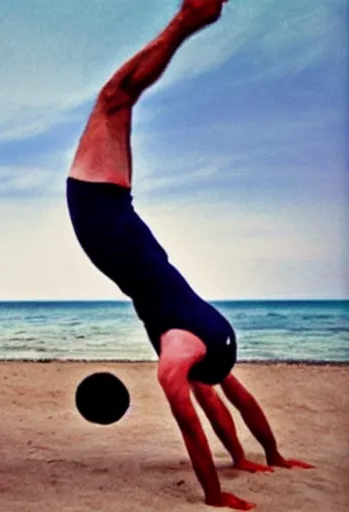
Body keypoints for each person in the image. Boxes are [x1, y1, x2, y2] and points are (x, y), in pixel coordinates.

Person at [66, 0, 314, 509]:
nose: (207, 385)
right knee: (113, 98)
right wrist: (224, 485)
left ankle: (189, 20)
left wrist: (251, 464)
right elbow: (206, 418)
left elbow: (222, 408)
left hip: (117, 216)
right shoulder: (182, 352)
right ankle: (189, 20)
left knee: (116, 99)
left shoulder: (195, 339)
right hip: (107, 217)